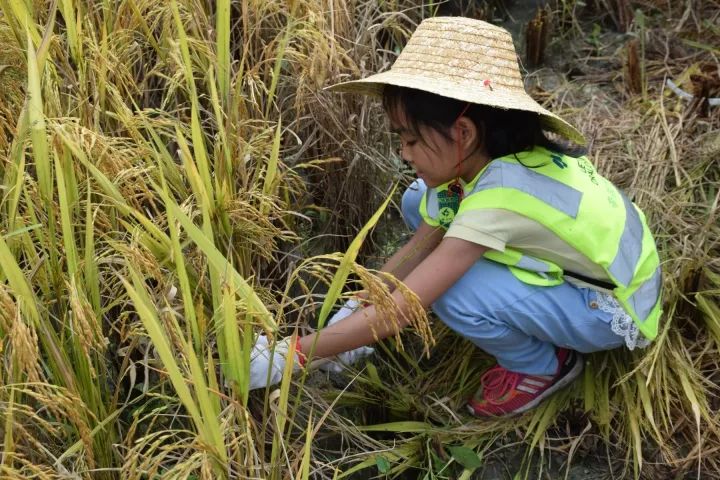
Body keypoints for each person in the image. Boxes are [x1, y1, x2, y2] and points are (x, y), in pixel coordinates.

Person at [248, 17, 662, 416]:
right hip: (607, 268)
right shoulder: (495, 154)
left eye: (410, 139)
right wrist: (357, 308)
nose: (404, 153)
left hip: (613, 309)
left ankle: (540, 367)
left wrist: (299, 351)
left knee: (447, 289)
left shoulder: (502, 195)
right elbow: (421, 242)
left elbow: (405, 307)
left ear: (463, 133)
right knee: (417, 199)